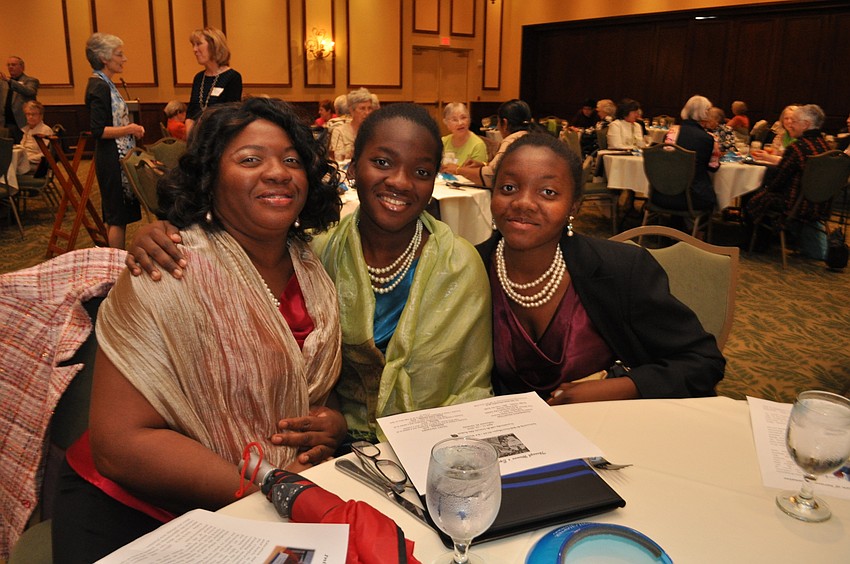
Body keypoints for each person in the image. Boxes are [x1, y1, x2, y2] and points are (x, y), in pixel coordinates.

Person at [51, 97, 344, 562]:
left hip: (268, 493)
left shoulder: (312, 269)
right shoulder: (170, 267)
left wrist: (330, 426)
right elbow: (119, 445)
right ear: (211, 177)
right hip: (134, 504)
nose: (278, 172)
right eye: (250, 159)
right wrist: (271, 485)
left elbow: (295, 395)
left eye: (292, 160)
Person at [125, 103, 494, 445]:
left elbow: (470, 384)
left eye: (421, 172)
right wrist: (161, 230)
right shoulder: (319, 253)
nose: (400, 181)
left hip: (435, 446)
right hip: (329, 447)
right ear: (351, 168)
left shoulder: (458, 265)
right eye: (382, 163)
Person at [477, 133, 725, 403]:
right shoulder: (471, 269)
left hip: (603, 428)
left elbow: (703, 361)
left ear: (574, 206)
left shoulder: (622, 269)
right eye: (509, 188)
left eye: (548, 192)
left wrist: (622, 388)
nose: (523, 202)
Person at [84, 33, 145, 250]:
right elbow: (98, 130)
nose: (124, 58)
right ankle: (115, 269)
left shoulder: (106, 83)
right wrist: (129, 128)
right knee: (117, 217)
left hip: (116, 156)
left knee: (119, 216)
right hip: (111, 158)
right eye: (119, 54)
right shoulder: (98, 85)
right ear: (104, 58)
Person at [745, 104, 831, 238]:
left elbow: (779, 180)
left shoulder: (798, 147)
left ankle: (757, 241)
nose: (790, 125)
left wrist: (764, 188)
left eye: (794, 122)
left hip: (797, 205)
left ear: (806, 124)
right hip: (821, 204)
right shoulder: (825, 146)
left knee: (751, 192)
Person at [658, 95, 719, 212]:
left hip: (663, 192)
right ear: (705, 113)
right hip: (693, 198)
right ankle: (699, 229)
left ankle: (676, 225)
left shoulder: (671, 133)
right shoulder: (708, 138)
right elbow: (713, 167)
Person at [457, 99, 535, 187]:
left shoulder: (512, 141)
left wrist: (458, 170)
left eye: (498, 121)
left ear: (504, 123)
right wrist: (484, 164)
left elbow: (492, 175)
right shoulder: (534, 136)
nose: (497, 126)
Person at [185, 27, 242, 134]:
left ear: (214, 45)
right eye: (193, 45)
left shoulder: (233, 77)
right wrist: (190, 135)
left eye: (199, 44)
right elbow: (191, 113)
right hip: (197, 139)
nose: (194, 49)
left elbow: (230, 116)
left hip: (219, 138)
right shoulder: (198, 78)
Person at [440, 102, 487, 175]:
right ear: (446, 122)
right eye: (454, 120)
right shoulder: (443, 142)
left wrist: (457, 170)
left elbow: (478, 174)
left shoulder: (478, 145)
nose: (460, 123)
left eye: (463, 118)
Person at [0, 56, 39, 143]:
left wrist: (10, 81)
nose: (10, 67)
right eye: (8, 65)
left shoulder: (31, 81)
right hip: (5, 123)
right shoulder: (3, 83)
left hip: (21, 123)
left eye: (13, 65)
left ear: (22, 67)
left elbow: (29, 91)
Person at [329, 87, 372, 161]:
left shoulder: (375, 130)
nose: (367, 112)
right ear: (352, 111)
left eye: (369, 108)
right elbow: (338, 160)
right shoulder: (340, 132)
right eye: (362, 108)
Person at [18, 100, 52, 174]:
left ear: (41, 115)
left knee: (9, 168)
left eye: (34, 114)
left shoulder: (45, 130)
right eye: (28, 114)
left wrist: (27, 159)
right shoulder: (26, 129)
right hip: (24, 161)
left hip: (37, 165)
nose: (30, 117)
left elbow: (45, 154)